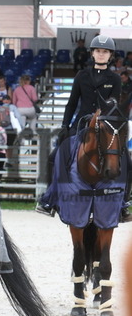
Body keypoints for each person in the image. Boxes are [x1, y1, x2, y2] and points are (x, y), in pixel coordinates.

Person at [37, 35, 131, 221]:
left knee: (127, 160)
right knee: (54, 156)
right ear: (93, 53)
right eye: (98, 51)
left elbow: (112, 104)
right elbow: (72, 103)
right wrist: (65, 125)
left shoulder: (114, 78)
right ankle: (49, 199)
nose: (101, 54)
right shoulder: (82, 76)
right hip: (81, 124)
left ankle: (123, 204)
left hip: (106, 125)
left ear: (110, 55)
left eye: (105, 52)